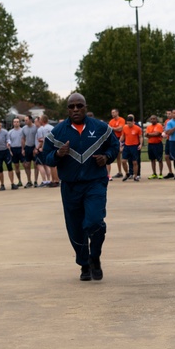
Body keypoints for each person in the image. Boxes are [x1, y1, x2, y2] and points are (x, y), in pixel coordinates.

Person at [42, 93, 119, 281]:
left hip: (95, 183)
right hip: (70, 186)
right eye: (71, 106)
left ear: (85, 107)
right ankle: (84, 265)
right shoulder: (57, 133)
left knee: (94, 222)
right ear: (67, 109)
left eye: (79, 105)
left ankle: (95, 257)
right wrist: (58, 154)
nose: (75, 109)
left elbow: (114, 146)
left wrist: (107, 157)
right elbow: (47, 157)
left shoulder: (101, 128)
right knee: (75, 228)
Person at [121, 114, 143, 181]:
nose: (128, 124)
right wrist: (120, 143)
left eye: (130, 123)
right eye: (127, 123)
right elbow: (123, 136)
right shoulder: (125, 127)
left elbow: (140, 137)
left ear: (133, 122)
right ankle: (127, 173)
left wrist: (141, 144)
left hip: (134, 146)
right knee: (123, 161)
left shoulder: (137, 128)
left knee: (135, 162)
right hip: (127, 146)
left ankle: (135, 176)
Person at [108, 109, 127, 180]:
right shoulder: (111, 121)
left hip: (121, 138)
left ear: (117, 112)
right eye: (111, 112)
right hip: (114, 138)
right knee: (117, 156)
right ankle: (120, 172)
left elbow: (120, 129)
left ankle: (127, 171)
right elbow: (109, 129)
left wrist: (112, 128)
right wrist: (114, 129)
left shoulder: (121, 120)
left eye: (113, 112)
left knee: (123, 155)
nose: (112, 114)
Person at [145, 115, 165, 179]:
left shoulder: (159, 126)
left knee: (159, 159)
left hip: (158, 144)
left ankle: (161, 173)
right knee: (152, 159)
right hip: (150, 144)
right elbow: (146, 135)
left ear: (156, 119)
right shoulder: (149, 127)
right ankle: (154, 173)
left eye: (154, 119)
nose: (153, 120)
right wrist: (152, 134)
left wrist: (150, 134)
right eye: (151, 119)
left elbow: (158, 134)